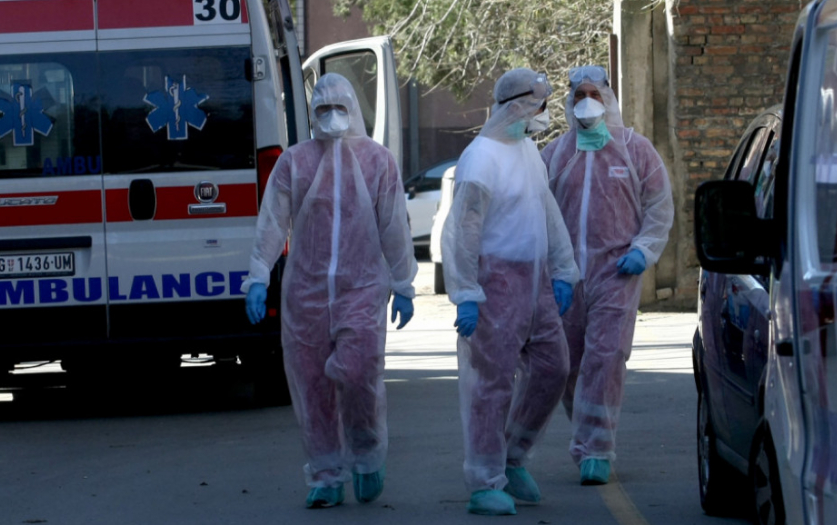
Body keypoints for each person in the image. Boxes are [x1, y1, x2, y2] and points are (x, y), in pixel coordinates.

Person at [242, 73, 417, 509]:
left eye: (340, 107)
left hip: (362, 287)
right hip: (307, 292)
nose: (333, 116)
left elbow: (394, 225)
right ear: (312, 113)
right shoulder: (295, 161)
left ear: (353, 108)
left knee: (358, 373)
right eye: (323, 109)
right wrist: (259, 273)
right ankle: (326, 475)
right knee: (312, 385)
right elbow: (273, 219)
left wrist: (403, 281)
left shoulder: (378, 161)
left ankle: (367, 456)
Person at [441, 67, 580, 516]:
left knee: (554, 368)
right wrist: (466, 292)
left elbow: (547, 210)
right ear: (517, 105)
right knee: (492, 383)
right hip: (494, 286)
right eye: (539, 104)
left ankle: (513, 454)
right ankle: (484, 480)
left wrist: (563, 269)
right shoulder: (481, 158)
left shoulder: (528, 152)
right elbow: (463, 230)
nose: (543, 113)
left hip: (535, 283)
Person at [540, 65, 674, 485]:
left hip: (616, 272)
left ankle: (597, 449)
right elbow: (536, 211)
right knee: (567, 365)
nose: (587, 103)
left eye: (594, 95)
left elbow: (659, 205)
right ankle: (585, 430)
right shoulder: (555, 155)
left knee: (606, 357)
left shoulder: (635, 149)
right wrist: (548, 268)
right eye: (579, 95)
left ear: (608, 99)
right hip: (566, 277)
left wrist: (643, 250)